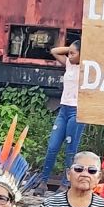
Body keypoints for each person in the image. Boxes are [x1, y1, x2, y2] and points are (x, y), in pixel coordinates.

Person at [34, 43, 82, 188]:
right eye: (70, 53)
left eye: (74, 53)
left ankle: (65, 183)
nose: (70, 56)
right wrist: (72, 49)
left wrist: (81, 50)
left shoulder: (86, 68)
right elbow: (54, 51)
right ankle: (44, 180)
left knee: (70, 149)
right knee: (52, 146)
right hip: (64, 109)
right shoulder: (69, 63)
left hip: (77, 110)